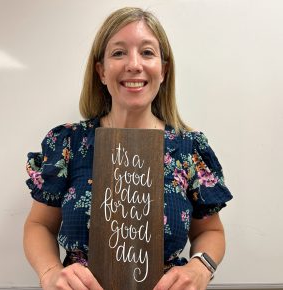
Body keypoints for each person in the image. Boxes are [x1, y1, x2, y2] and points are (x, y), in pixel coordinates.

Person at [23, 7, 232, 290]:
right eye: (119, 53)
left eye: (147, 52)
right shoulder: (69, 145)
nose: (134, 64)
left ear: (164, 69)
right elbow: (39, 225)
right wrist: (49, 273)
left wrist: (200, 267)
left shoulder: (188, 149)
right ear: (101, 71)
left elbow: (211, 230)